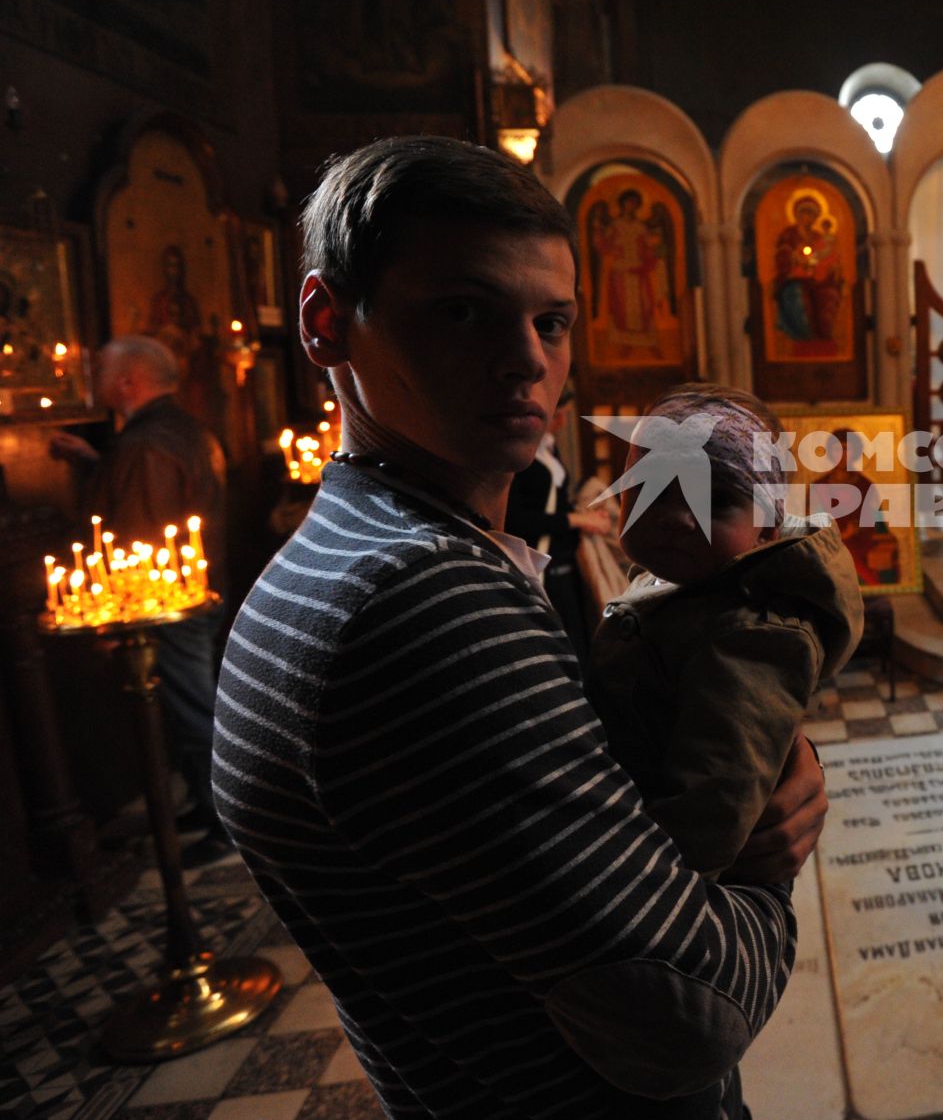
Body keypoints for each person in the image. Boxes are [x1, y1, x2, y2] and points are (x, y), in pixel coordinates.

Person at [215, 137, 823, 1119]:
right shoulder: (425, 600)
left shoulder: (329, 562)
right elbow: (691, 1014)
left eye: (552, 322)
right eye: (462, 311)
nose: (526, 361)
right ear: (327, 325)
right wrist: (764, 857)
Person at [590, 384, 863, 876]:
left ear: (767, 530)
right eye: (650, 490)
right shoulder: (685, 584)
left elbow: (714, 806)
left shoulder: (749, 639)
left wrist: (637, 886)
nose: (675, 517)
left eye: (713, 501)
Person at [49, 335, 230, 866]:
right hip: (195, 595)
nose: (92, 376)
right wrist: (97, 461)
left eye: (100, 368)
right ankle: (206, 805)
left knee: (195, 712)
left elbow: (140, 534)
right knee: (190, 708)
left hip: (164, 606)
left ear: (128, 380)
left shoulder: (144, 446)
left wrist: (111, 616)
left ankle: (229, 823)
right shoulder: (172, 429)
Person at [504, 382, 611, 660]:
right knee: (562, 641)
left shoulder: (548, 448)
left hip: (565, 559)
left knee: (581, 636)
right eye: (559, 414)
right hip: (543, 561)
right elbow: (518, 520)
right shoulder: (521, 454)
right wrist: (576, 519)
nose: (563, 422)